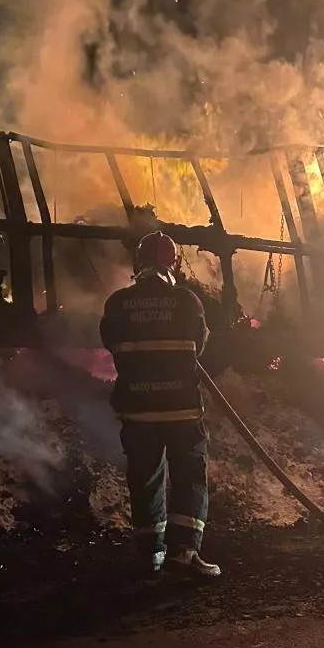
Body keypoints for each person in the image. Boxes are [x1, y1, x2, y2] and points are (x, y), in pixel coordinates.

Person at [99, 231, 221, 578]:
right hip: (181, 408)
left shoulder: (118, 303)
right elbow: (199, 345)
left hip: (138, 408)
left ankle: (151, 554)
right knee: (189, 476)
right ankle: (184, 553)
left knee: (144, 477)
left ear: (138, 264)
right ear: (174, 264)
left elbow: (110, 341)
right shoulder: (187, 301)